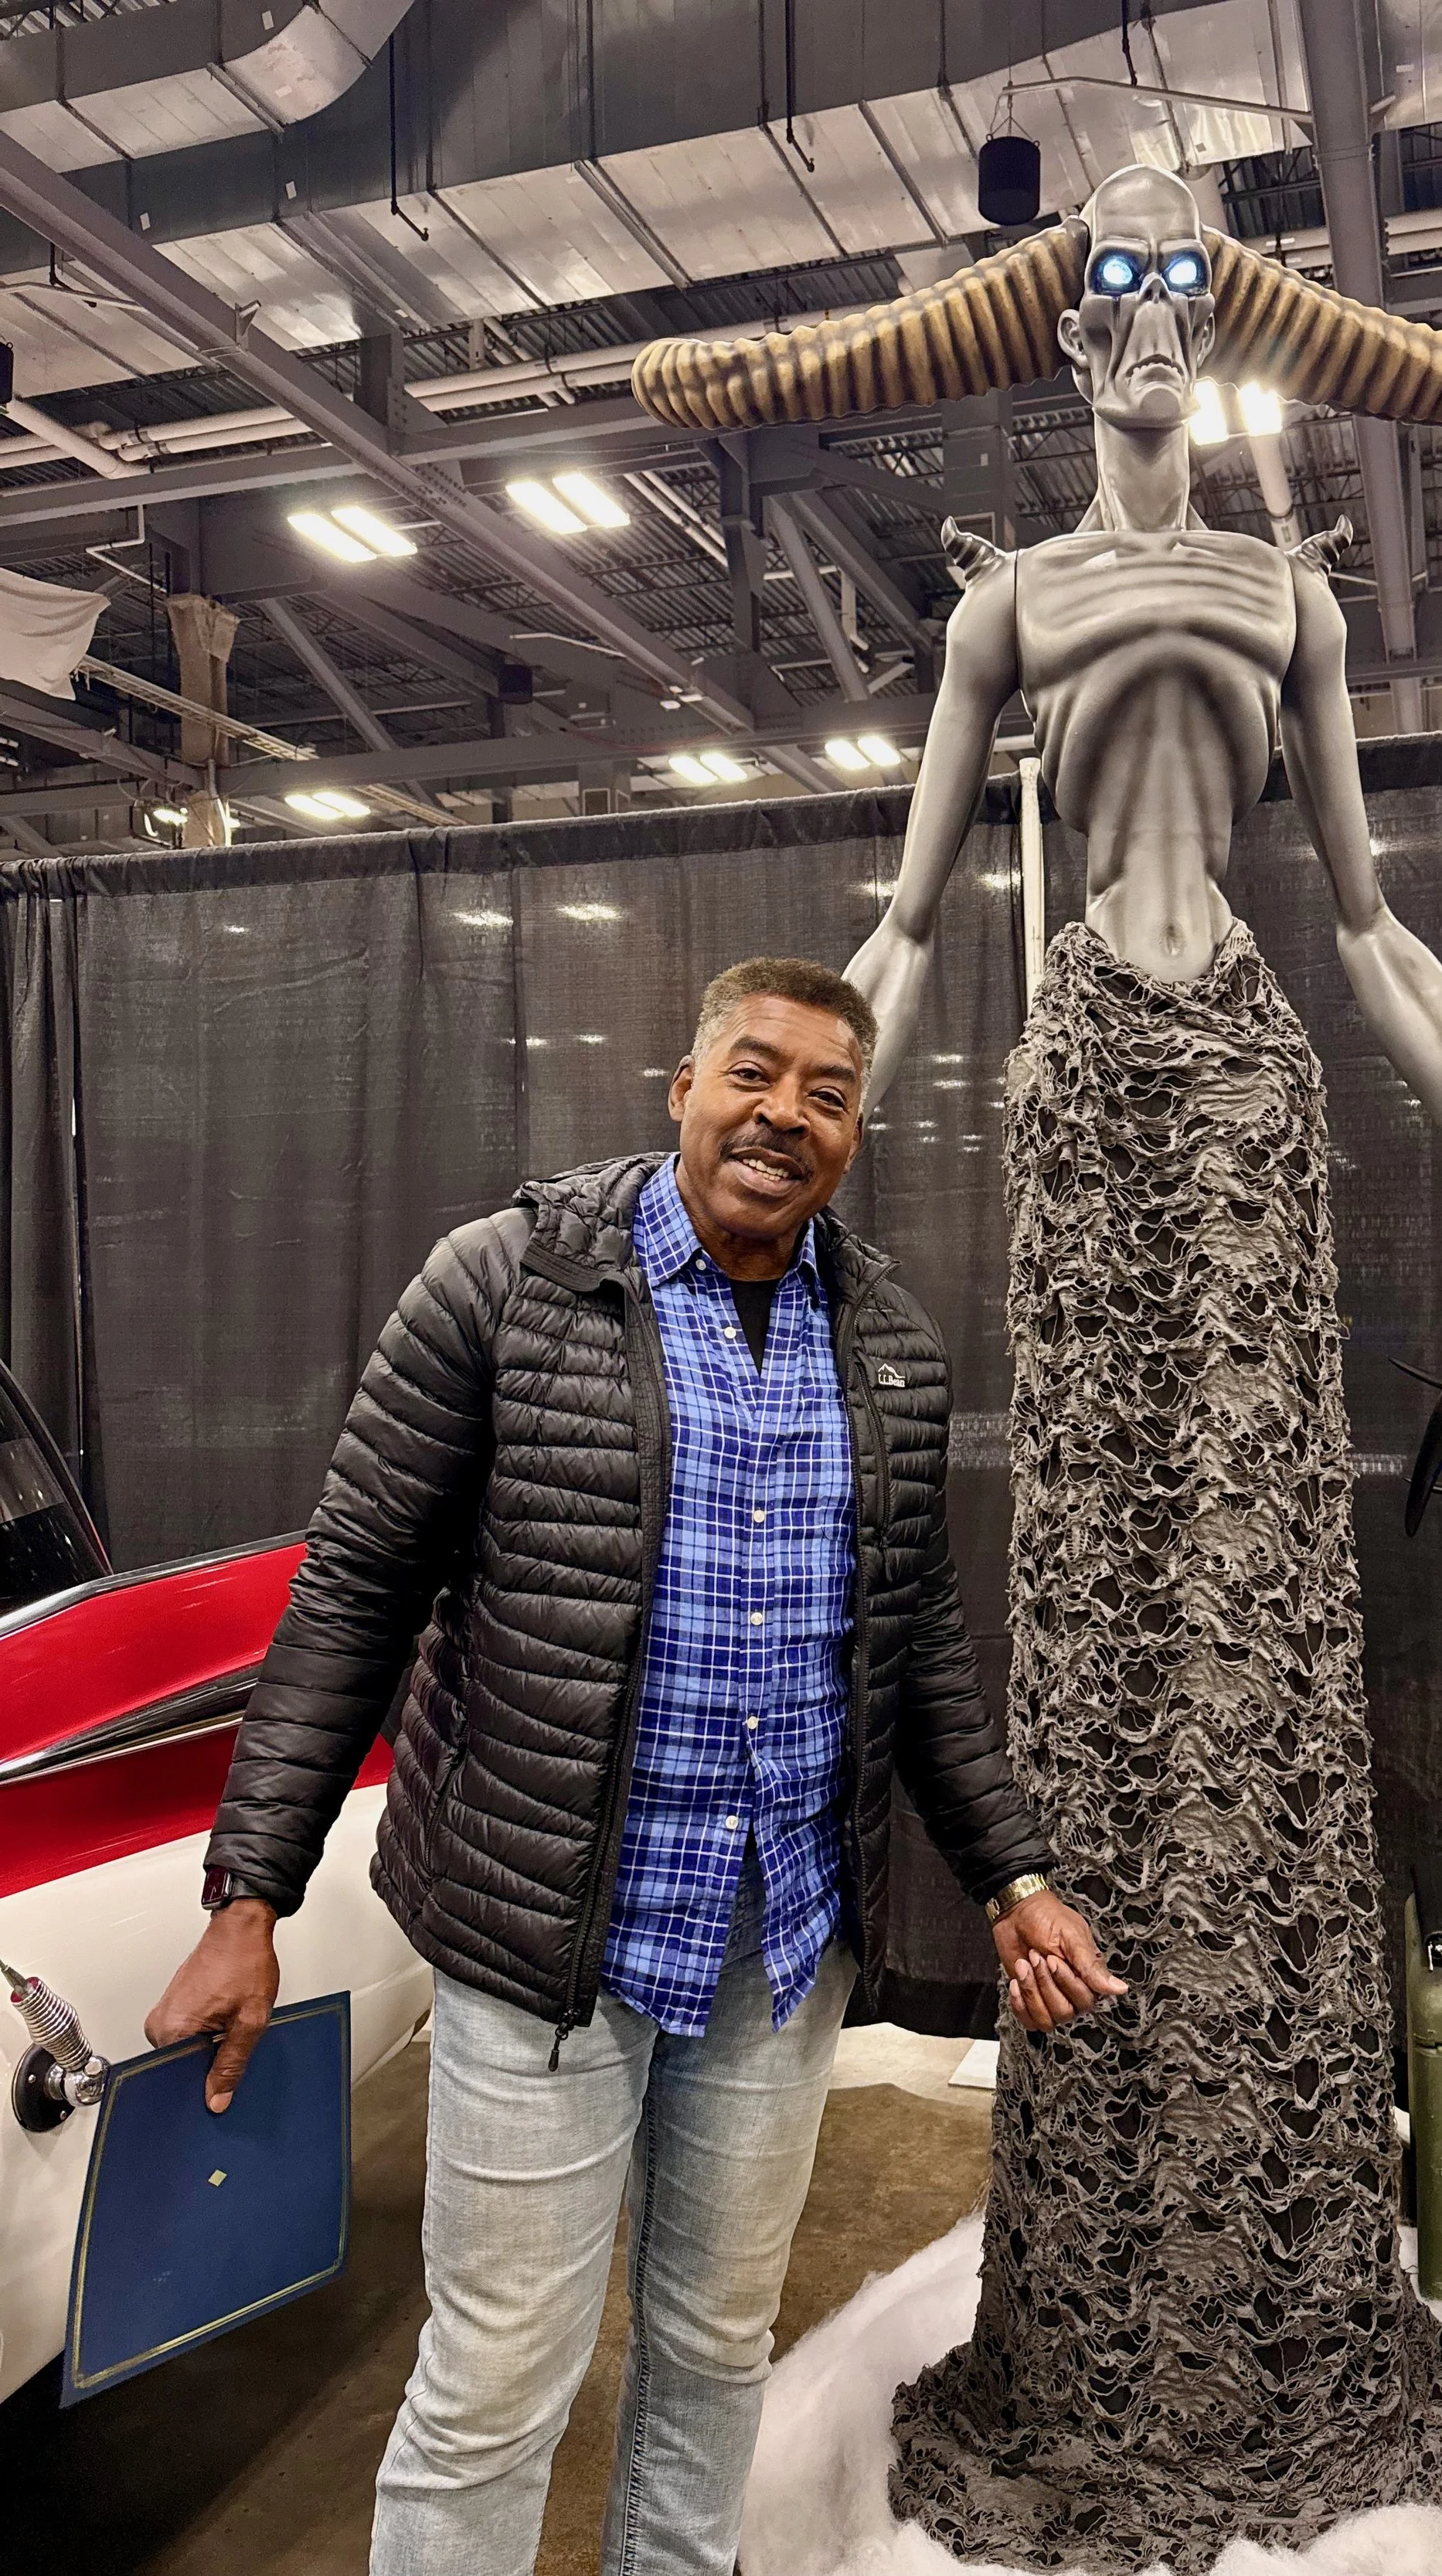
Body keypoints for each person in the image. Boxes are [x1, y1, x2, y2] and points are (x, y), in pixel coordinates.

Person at [630, 167, 1442, 2569]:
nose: (1152, 313)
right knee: (1091, 1621)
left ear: (1220, 326)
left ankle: (1266, 2215)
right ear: (1071, 340)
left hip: (1245, 1087)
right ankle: (1098, 2222)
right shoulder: (1010, 603)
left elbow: (1372, 930)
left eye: (1187, 275)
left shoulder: (1285, 594)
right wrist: (768, 1164)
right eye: (1114, 282)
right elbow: (898, 920)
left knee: (1255, 1634)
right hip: (1079, 1097)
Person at [146, 954, 1121, 2576]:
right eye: (753, 1072)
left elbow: (918, 1646)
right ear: (681, 1088)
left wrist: (1012, 1873)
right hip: (547, 1945)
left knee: (715, 2345)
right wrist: (249, 1894)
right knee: (496, 2380)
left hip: (775, 1945)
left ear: (856, 1132)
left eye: (826, 1094)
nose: (783, 1114)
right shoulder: (503, 1285)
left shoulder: (884, 1338)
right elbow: (353, 1597)